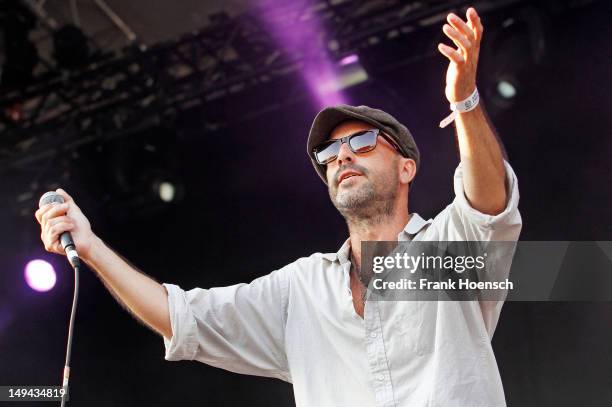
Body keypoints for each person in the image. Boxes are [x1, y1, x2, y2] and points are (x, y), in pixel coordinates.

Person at [35, 7, 521, 406]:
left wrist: (465, 102)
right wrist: (93, 245)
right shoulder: (300, 289)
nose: (343, 156)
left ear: (407, 168)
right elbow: (180, 316)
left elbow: (488, 201)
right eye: (329, 153)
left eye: (364, 142)